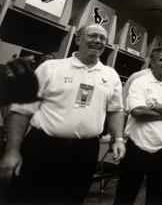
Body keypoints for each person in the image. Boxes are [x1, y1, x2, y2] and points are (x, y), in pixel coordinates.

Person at [0, 24, 126, 204]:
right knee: (27, 198)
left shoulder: (111, 75)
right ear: (77, 39)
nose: (98, 41)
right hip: (43, 147)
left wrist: (119, 139)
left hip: (85, 152)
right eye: (92, 36)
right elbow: (21, 111)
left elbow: (115, 110)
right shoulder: (50, 68)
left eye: (102, 38)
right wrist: (12, 151)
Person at [114, 47, 162, 205]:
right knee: (126, 194)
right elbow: (136, 111)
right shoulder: (138, 80)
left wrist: (154, 106)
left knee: (157, 196)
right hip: (136, 145)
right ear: (151, 62)